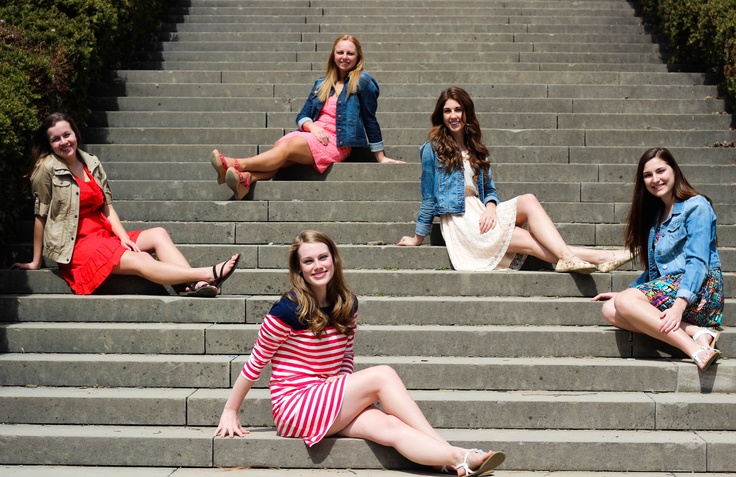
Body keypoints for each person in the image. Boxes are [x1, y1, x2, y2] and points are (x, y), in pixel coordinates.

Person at [214, 230, 506, 477]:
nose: (317, 265)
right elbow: (256, 363)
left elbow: (346, 355)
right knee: (383, 375)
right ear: (299, 268)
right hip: (295, 405)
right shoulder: (287, 310)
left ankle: (454, 461)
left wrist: (341, 381)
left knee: (390, 426)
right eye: (308, 260)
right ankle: (455, 451)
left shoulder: (347, 303)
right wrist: (230, 411)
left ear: (334, 259)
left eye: (322, 257)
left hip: (328, 399)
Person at [397, 86, 632, 274]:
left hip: (481, 213)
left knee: (529, 200)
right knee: (530, 240)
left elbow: (489, 189)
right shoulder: (432, 149)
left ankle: (579, 257)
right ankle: (599, 257)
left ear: (466, 112)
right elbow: (428, 196)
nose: (453, 116)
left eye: (458, 109)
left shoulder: (476, 149)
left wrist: (491, 208)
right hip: (461, 221)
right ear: (441, 115)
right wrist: (418, 237)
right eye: (447, 111)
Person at [11, 112, 240, 297]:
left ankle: (195, 285)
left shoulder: (90, 161)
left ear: (75, 133)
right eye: (56, 139)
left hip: (102, 233)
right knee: (141, 258)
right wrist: (35, 261)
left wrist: (122, 237)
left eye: (66, 134)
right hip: (78, 247)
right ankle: (207, 274)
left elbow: (107, 207)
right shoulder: (46, 169)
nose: (64, 142)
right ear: (49, 144)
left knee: (158, 233)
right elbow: (40, 217)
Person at [209, 34, 402, 200]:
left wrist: (380, 156)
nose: (344, 57)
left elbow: (370, 118)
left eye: (350, 53)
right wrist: (312, 126)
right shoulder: (322, 83)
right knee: (282, 154)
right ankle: (247, 179)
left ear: (358, 56)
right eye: (340, 52)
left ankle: (235, 164)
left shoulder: (364, 82)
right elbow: (303, 115)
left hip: (336, 141)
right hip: (314, 133)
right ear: (333, 55)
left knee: (286, 148)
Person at [593, 147, 723, 372]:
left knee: (625, 303)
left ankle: (695, 350)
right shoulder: (657, 217)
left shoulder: (697, 205)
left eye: (661, 171)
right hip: (672, 286)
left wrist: (679, 306)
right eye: (647, 175)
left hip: (700, 290)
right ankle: (697, 332)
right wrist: (633, 291)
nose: (655, 179)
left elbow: (698, 263)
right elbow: (657, 271)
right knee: (610, 309)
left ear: (674, 170)